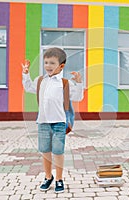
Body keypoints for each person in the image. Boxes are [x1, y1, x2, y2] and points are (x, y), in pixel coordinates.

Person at [22, 47, 84, 193]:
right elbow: (28, 87)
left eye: (52, 63)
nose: (48, 66)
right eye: (46, 62)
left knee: (58, 151)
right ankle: (48, 177)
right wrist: (26, 74)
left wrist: (80, 83)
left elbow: (77, 97)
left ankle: (59, 179)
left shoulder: (64, 83)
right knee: (45, 150)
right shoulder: (40, 81)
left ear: (61, 66)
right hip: (43, 122)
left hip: (59, 122)